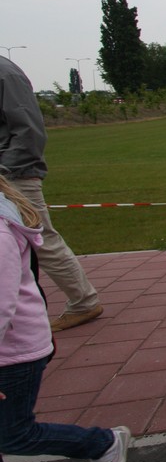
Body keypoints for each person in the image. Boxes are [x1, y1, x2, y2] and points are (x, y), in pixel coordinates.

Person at [0, 173, 130, 462]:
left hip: (13, 352)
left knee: (14, 435)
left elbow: (2, 304)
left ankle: (102, 443)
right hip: (14, 346)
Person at [0, 56, 103, 332]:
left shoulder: (5, 74)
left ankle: (83, 300)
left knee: (41, 238)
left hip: (13, 176)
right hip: (10, 173)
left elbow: (29, 131)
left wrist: (6, 171)